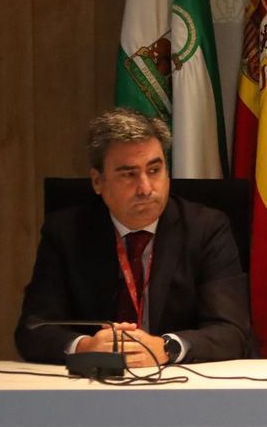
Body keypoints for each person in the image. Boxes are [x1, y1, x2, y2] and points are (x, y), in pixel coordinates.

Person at [14, 108, 251, 366]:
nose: (146, 188)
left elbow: (232, 332)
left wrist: (167, 347)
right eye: (129, 174)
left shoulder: (206, 228)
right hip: (94, 388)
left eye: (154, 170)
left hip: (180, 386)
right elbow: (33, 329)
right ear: (97, 182)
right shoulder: (66, 232)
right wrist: (84, 346)